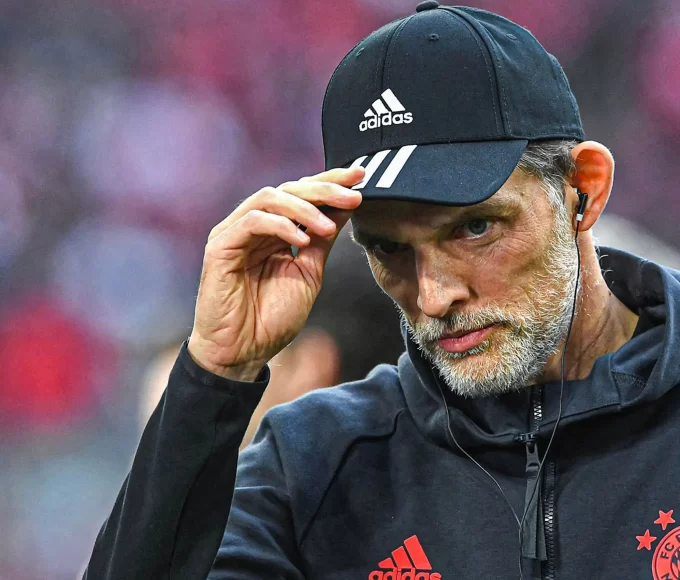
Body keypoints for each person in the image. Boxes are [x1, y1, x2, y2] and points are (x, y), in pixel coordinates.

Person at [84, 3, 680, 580]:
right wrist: (216, 372)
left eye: (475, 227)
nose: (435, 296)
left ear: (583, 189)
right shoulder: (313, 464)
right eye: (390, 248)